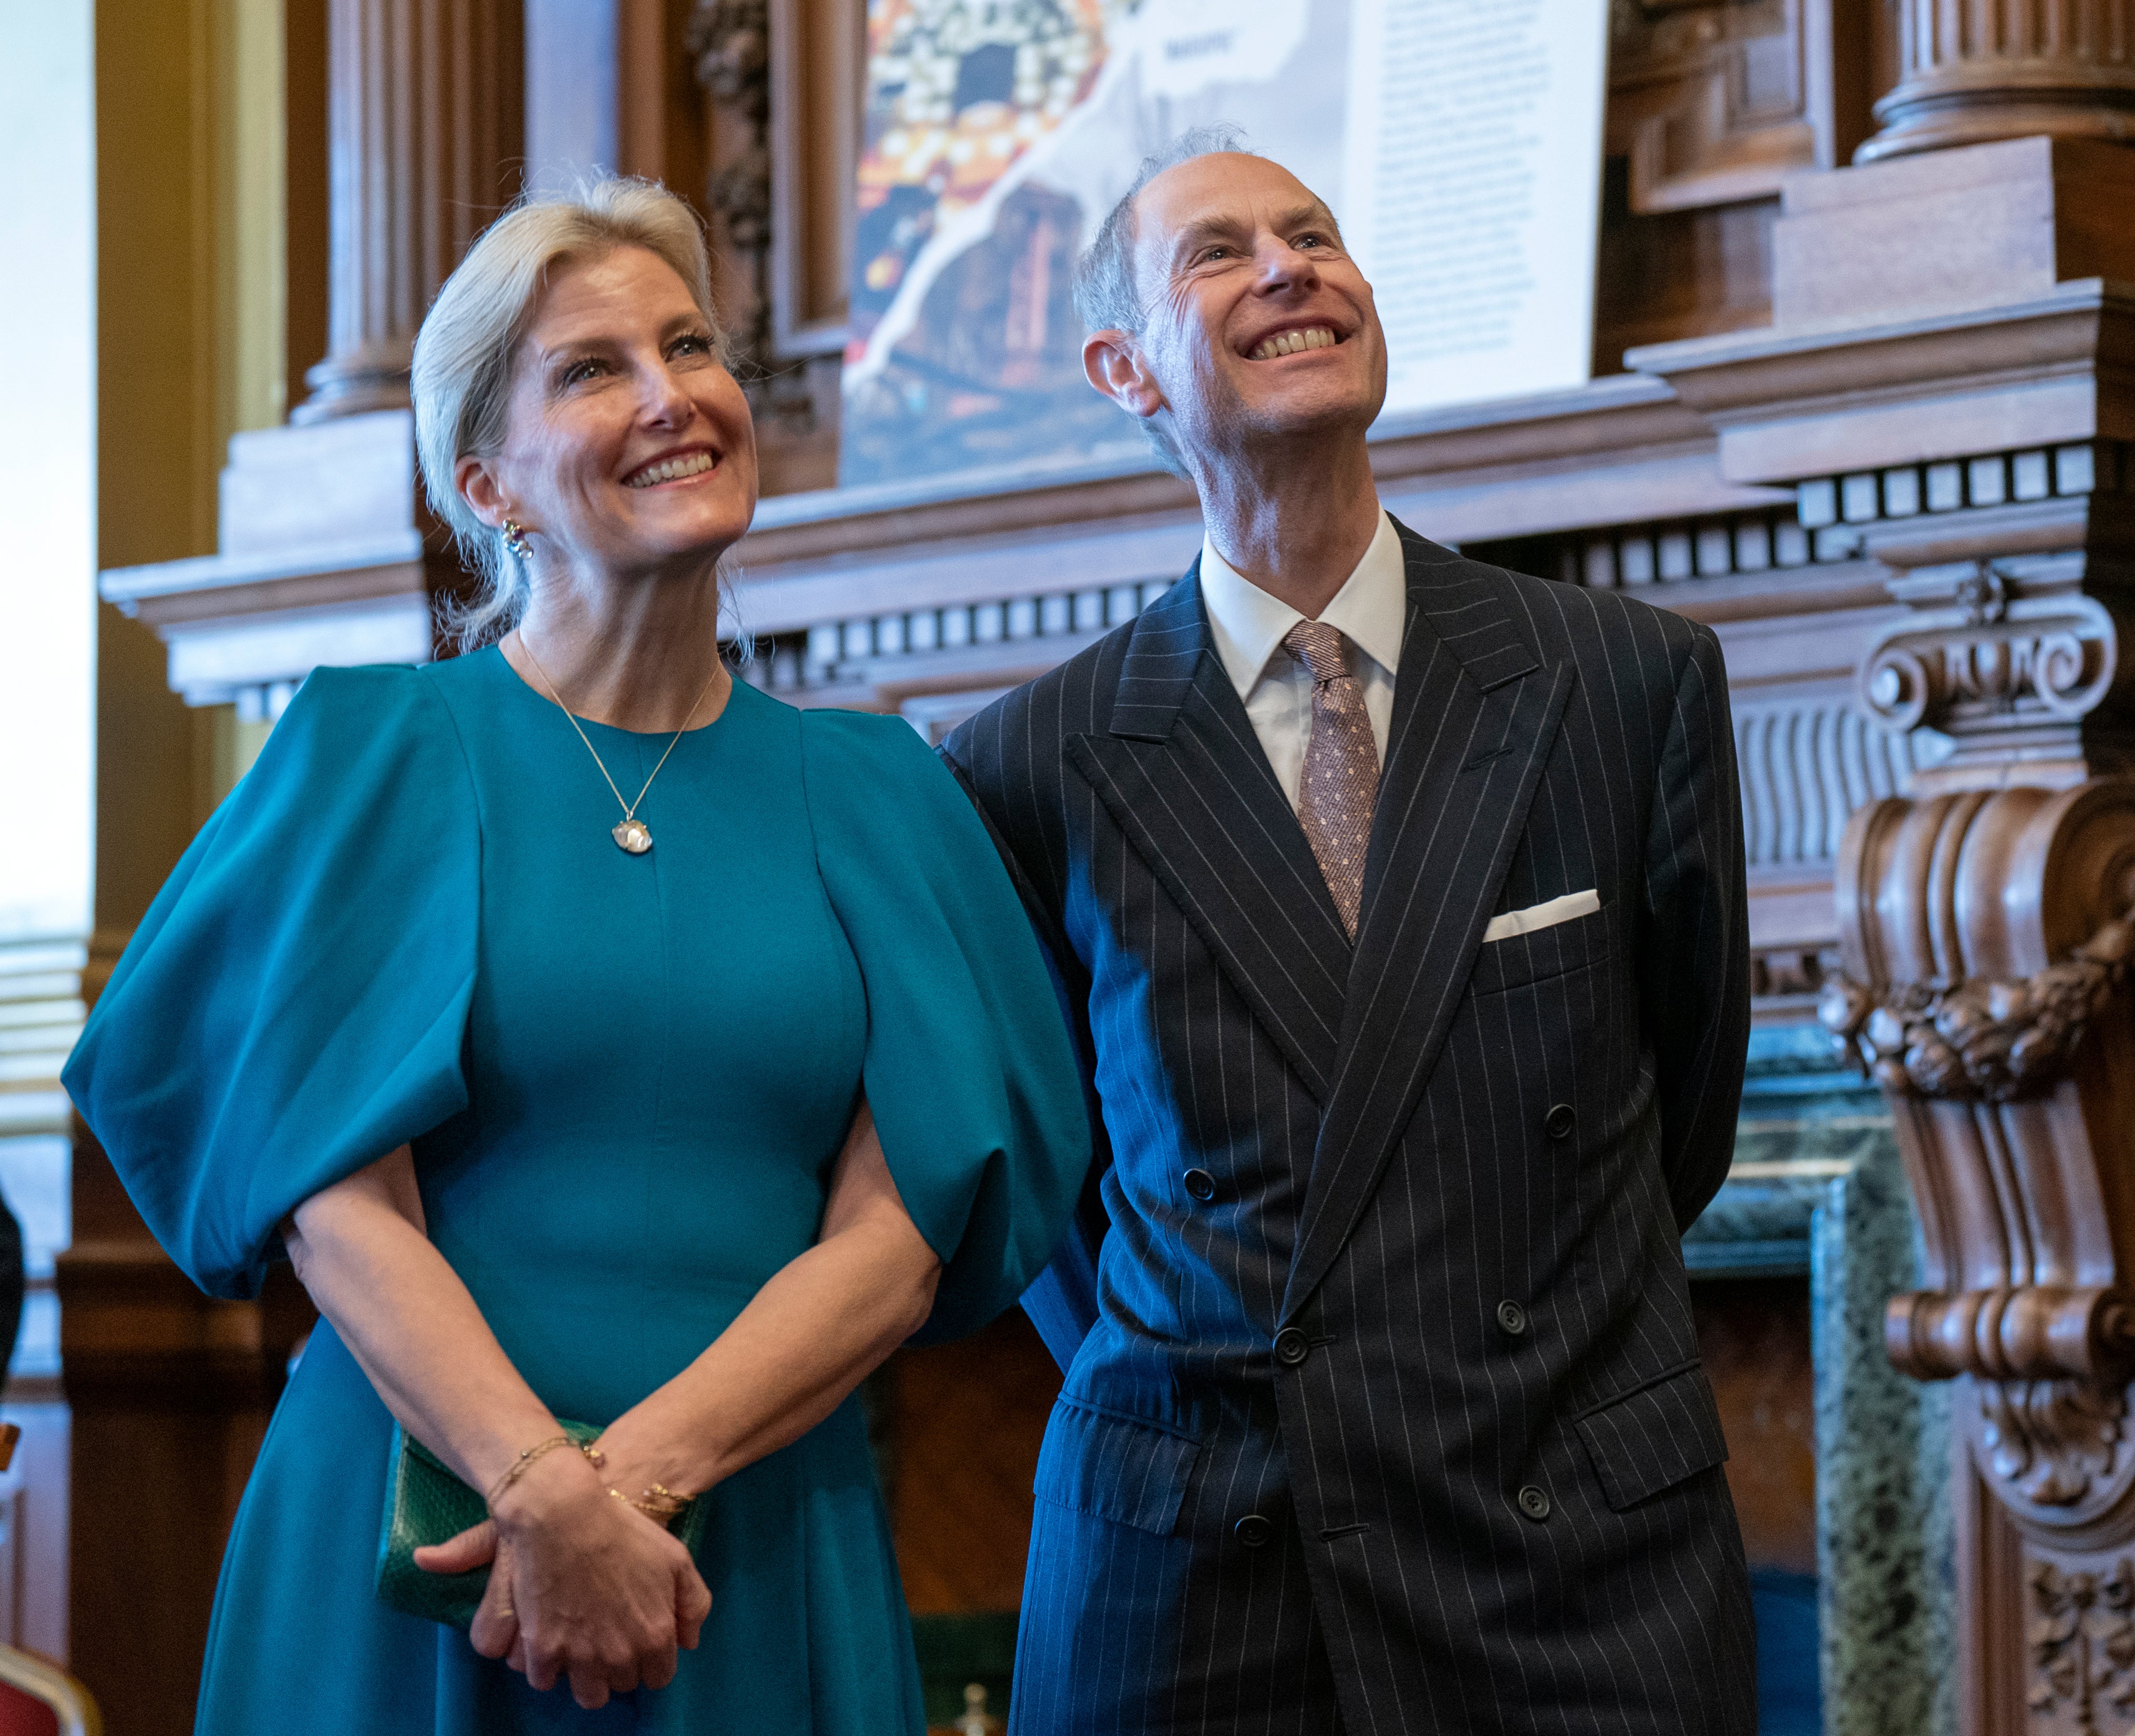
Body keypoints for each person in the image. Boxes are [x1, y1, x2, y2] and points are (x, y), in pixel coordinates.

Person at [64, 177, 1089, 1734]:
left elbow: (902, 1237)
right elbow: (330, 1197)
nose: (673, 397)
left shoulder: (882, 791)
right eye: (594, 369)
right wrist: (539, 1493)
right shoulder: (378, 752)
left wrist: (625, 1493)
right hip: (417, 1532)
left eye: (691, 347)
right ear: (490, 483)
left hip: (742, 1543)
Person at [940, 127, 1757, 1734]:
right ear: (1122, 367)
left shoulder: (1622, 678)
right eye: (1218, 251)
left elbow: (1689, 1107)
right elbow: (1048, 1200)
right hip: (1207, 1568)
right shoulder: (1026, 761)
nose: (1286, 266)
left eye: (1310, 233)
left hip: (1576, 1550)